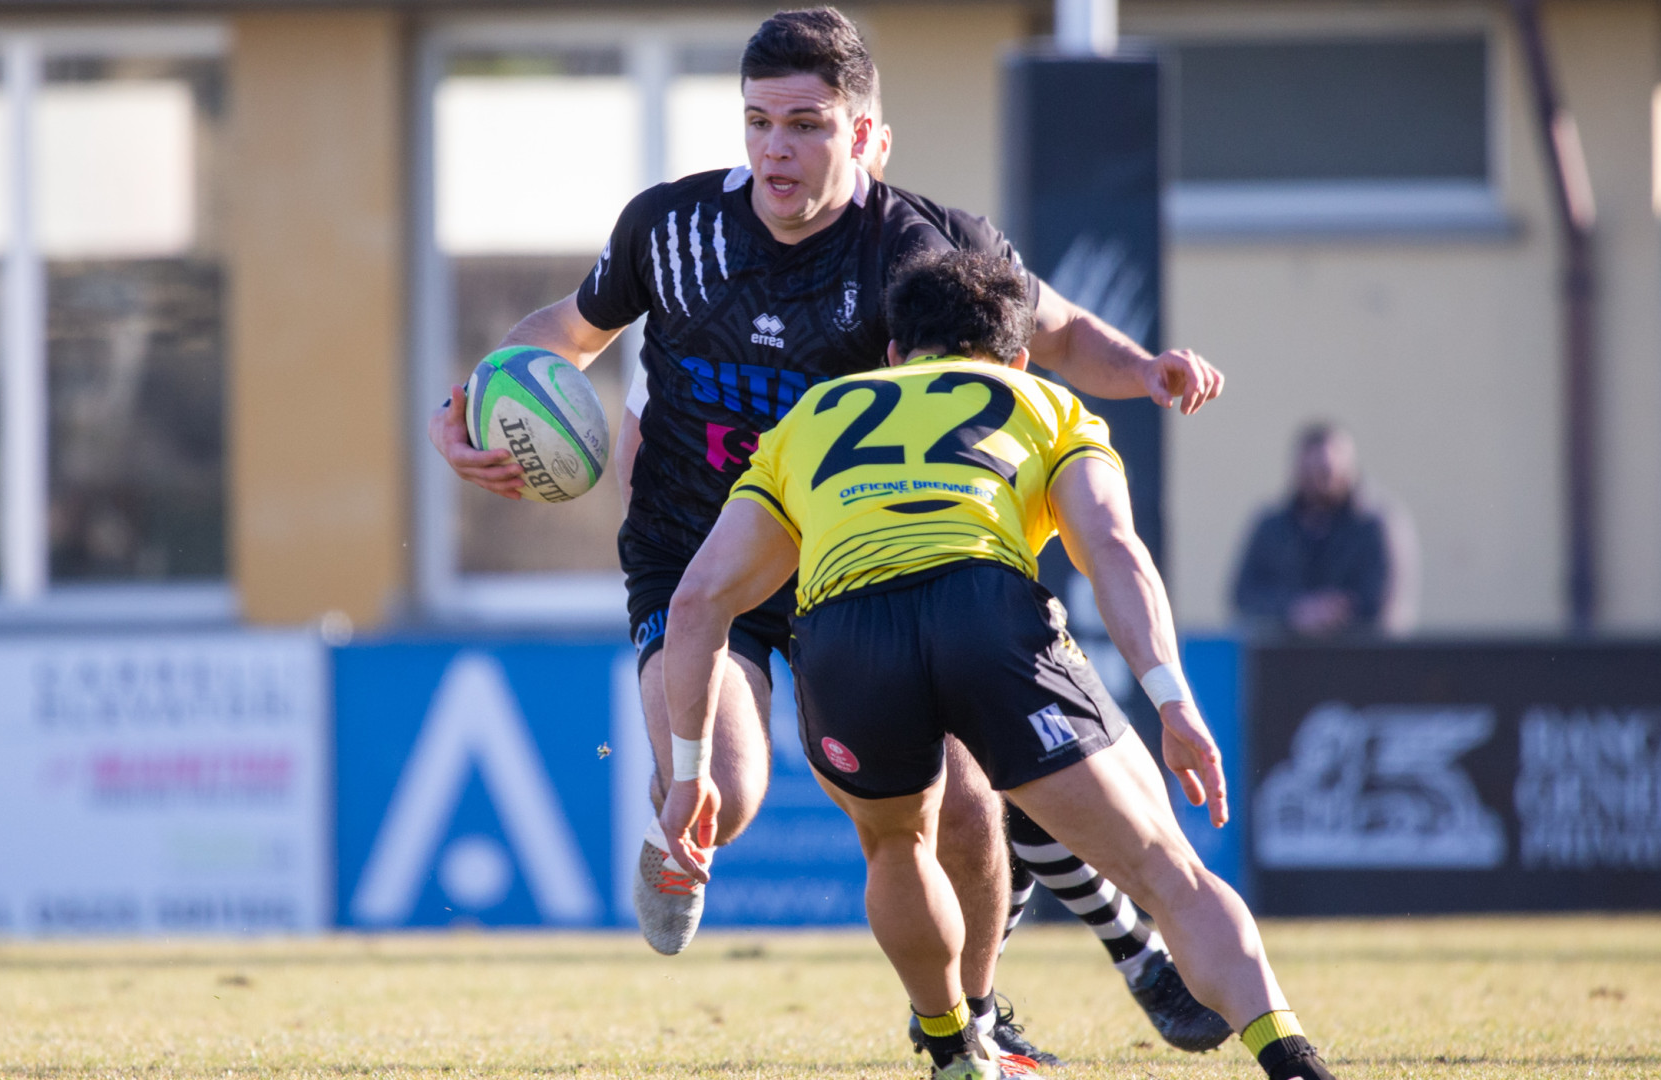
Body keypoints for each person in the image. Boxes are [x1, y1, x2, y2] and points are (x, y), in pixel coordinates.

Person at [427, 8, 1226, 1062]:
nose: (774, 149)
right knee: (735, 792)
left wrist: (1148, 371)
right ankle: (685, 816)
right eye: (758, 121)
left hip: (864, 564)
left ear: (867, 139)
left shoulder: (921, 249)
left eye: (805, 124)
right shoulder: (670, 230)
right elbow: (570, 335)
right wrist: (476, 405)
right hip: (696, 553)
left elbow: (1059, 329)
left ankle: (967, 1024)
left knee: (969, 813)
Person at [658, 250, 1340, 1080]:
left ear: (894, 356)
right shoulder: (1048, 402)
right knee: (1168, 874)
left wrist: (692, 772)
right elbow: (1114, 552)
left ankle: (952, 1051)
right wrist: (1171, 699)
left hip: (843, 633)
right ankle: (1296, 1064)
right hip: (984, 612)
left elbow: (697, 604)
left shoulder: (811, 416)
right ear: (1015, 358)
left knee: (897, 845)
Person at [1230, 422, 1418, 637]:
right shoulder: (1272, 527)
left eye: (1325, 472)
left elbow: (1386, 604)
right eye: (1308, 472)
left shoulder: (1377, 525)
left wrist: (1333, 612)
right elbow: (1243, 596)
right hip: (1286, 659)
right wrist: (1294, 610)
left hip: (1363, 661)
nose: (1317, 483)